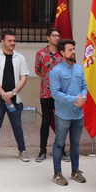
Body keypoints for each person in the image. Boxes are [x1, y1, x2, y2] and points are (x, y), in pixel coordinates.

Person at [0, 29, 30, 163]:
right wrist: (3, 94)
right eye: (10, 41)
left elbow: (23, 78)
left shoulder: (20, 57)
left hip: (15, 99)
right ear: (2, 42)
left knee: (17, 125)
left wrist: (13, 92)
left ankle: (22, 151)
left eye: (14, 41)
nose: (13, 43)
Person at [49, 39, 88, 186]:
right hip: (63, 115)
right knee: (59, 144)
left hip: (78, 114)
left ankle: (75, 171)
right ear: (62, 53)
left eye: (73, 49)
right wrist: (74, 99)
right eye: (70, 50)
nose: (73, 52)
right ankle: (57, 174)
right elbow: (55, 93)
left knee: (76, 144)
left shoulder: (79, 69)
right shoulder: (56, 71)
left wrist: (82, 97)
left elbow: (84, 86)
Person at [34, 27, 67, 162]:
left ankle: (62, 150)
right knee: (46, 121)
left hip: (61, 94)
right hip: (46, 93)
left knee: (62, 123)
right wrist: (47, 80)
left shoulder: (63, 53)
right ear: (48, 37)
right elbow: (37, 70)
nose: (57, 38)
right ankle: (42, 151)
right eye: (54, 35)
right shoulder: (41, 53)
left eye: (58, 36)